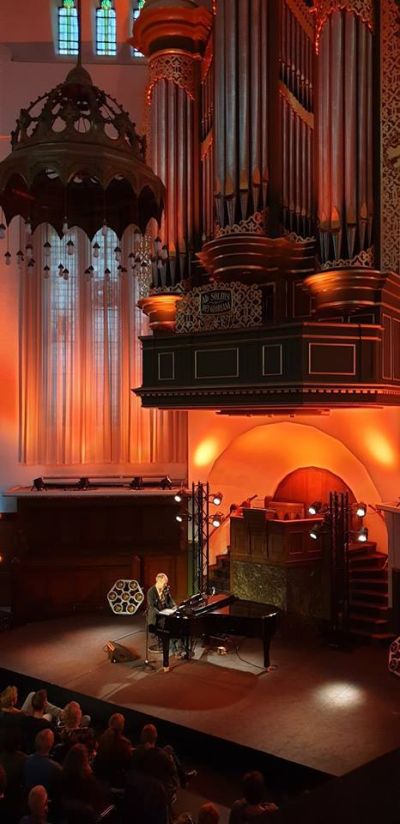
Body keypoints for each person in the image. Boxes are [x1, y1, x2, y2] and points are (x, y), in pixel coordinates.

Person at [147, 572, 177, 669]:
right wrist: (161, 613)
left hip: (165, 616)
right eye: (165, 583)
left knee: (176, 626)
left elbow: (171, 601)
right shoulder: (151, 591)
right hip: (155, 619)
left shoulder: (165, 589)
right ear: (159, 581)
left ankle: (177, 651)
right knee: (166, 635)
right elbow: (152, 607)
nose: (166, 585)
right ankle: (166, 663)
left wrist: (174, 607)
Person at [95, 712, 133, 786]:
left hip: (99, 777)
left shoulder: (102, 738)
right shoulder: (125, 743)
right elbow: (128, 764)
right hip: (114, 782)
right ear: (122, 726)